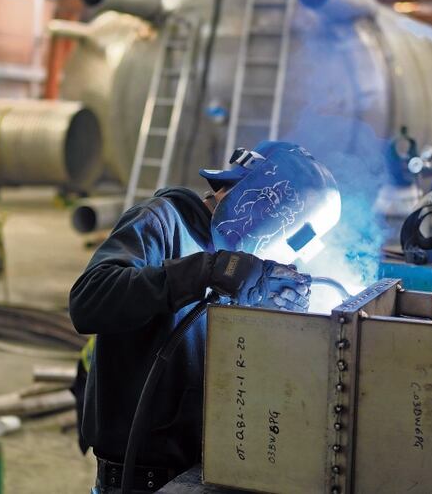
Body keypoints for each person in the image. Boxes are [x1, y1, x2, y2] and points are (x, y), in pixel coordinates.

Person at [69, 141, 341, 493]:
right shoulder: (160, 221)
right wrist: (207, 270)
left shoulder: (241, 266)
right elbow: (88, 300)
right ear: (261, 196)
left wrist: (279, 321)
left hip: (203, 472)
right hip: (137, 478)